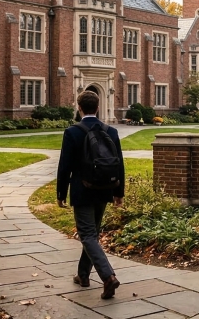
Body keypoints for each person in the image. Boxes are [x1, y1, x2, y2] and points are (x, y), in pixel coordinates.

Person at [57, 90, 124, 299]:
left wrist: (61, 192)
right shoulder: (110, 131)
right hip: (104, 189)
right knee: (91, 235)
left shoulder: (73, 132)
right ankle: (83, 275)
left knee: (87, 235)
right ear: (97, 107)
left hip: (82, 190)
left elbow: (64, 166)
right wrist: (118, 192)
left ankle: (108, 277)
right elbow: (119, 164)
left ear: (79, 108)